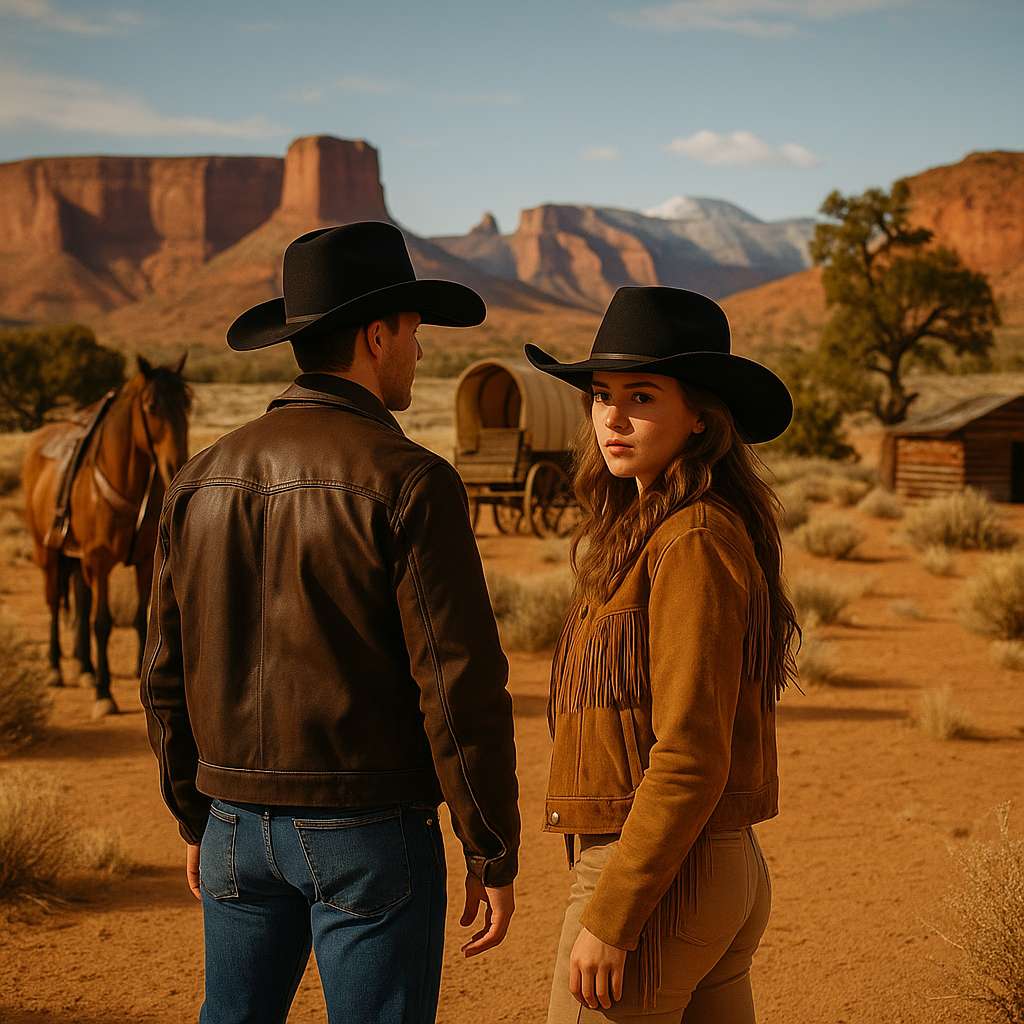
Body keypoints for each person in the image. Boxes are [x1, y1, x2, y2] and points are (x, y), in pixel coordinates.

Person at [140, 221, 521, 1024]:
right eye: (414, 334)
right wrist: (488, 842)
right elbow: (457, 684)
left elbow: (162, 676)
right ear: (377, 336)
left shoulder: (196, 480)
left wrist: (194, 816)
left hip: (232, 827)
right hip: (369, 831)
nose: (420, 353)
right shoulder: (411, 480)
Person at [523, 286, 800, 1023]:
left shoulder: (692, 539)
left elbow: (688, 751)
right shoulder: (657, 528)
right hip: (702, 865)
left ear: (701, 414)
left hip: (658, 872)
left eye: (641, 396)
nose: (612, 417)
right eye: (602, 395)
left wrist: (613, 914)